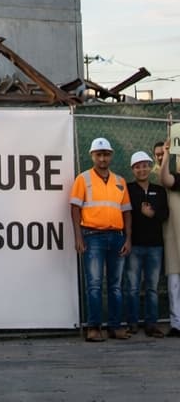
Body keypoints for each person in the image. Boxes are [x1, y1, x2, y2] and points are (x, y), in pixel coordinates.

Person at [70, 136, 132, 341]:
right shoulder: (83, 179)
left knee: (116, 286)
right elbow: (75, 208)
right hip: (92, 236)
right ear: (92, 156)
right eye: (99, 155)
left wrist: (128, 239)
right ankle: (94, 328)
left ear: (111, 156)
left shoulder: (120, 181)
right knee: (94, 285)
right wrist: (78, 236)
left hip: (117, 237)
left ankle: (115, 326)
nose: (103, 158)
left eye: (106, 154)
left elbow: (126, 212)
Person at [124, 149, 167, 336]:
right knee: (133, 287)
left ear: (150, 167)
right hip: (134, 245)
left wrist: (152, 214)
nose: (141, 170)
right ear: (132, 170)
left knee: (152, 288)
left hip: (155, 246)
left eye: (144, 166)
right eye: (137, 167)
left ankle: (151, 324)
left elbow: (165, 214)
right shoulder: (127, 189)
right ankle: (132, 323)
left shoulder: (160, 190)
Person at [154, 136, 180, 337]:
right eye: (158, 155)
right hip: (171, 236)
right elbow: (165, 178)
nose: (161, 157)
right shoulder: (157, 173)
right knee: (174, 282)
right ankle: (176, 323)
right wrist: (167, 155)